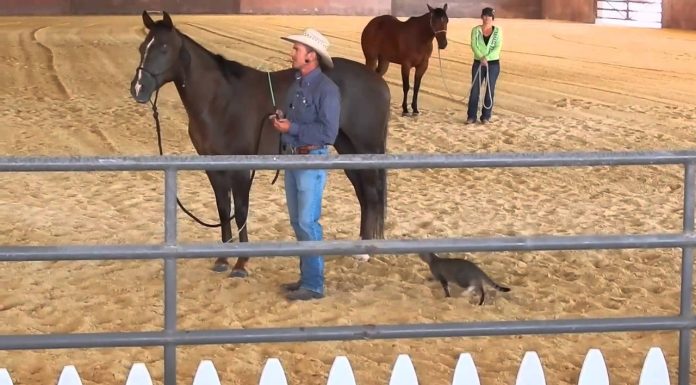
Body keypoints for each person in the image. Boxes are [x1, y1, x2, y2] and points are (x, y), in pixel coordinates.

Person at [270, 28, 341, 301]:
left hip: (312, 158)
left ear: (311, 56)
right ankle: (307, 278)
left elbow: (328, 133)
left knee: (307, 221)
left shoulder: (327, 90)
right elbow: (292, 119)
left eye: (297, 50)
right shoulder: (297, 84)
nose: (292, 54)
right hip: (294, 157)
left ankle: (313, 285)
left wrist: (293, 127)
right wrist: (282, 121)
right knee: (297, 220)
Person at [466, 7, 503, 124]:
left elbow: (498, 47)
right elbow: (473, 45)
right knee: (475, 90)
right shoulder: (476, 30)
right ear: (482, 17)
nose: (487, 18)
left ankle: (486, 116)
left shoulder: (498, 31)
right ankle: (471, 116)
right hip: (478, 63)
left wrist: (487, 58)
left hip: (493, 64)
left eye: (489, 16)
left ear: (493, 18)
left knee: (489, 90)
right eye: (485, 15)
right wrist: (481, 57)